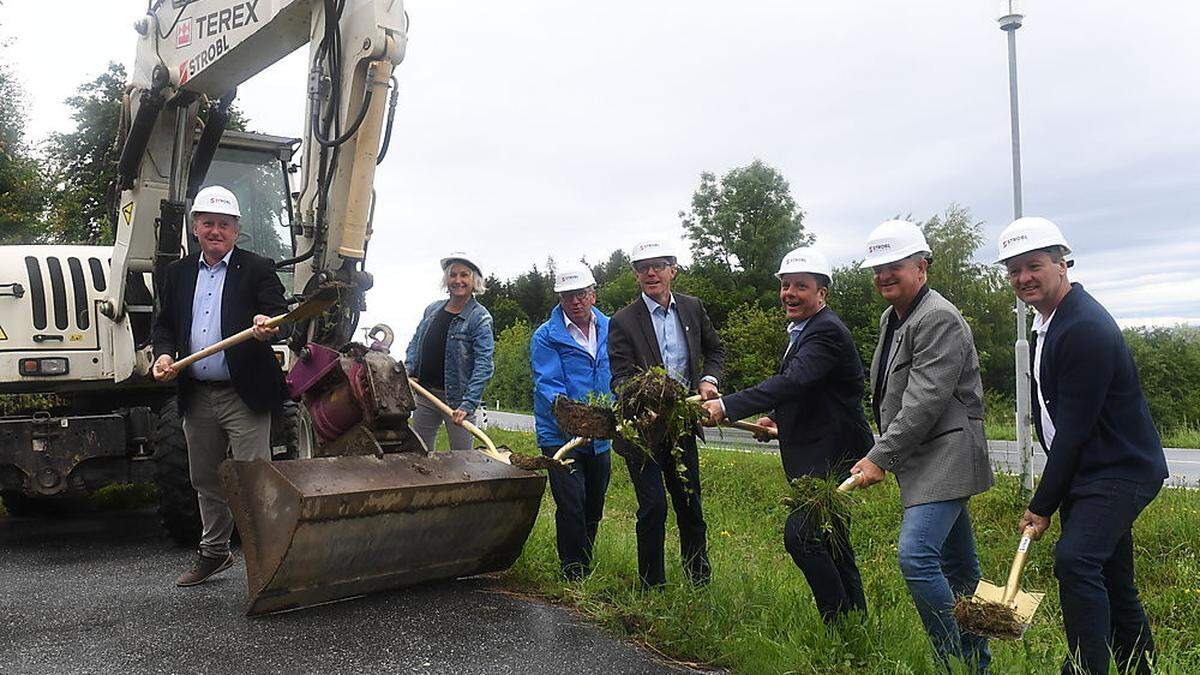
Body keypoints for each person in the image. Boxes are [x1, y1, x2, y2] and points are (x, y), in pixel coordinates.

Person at [996, 217, 1168, 675]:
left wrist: (1042, 504)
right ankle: (1139, 668)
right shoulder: (1049, 322)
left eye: (1033, 266)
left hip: (1119, 470)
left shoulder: (1084, 327)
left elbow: (1073, 430)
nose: (1023, 278)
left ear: (1062, 264)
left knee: (1075, 561)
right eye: (1013, 270)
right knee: (1112, 578)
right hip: (1090, 471)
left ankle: (1085, 668)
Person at [848, 220, 995, 672]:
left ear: (922, 267)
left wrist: (880, 457)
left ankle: (950, 659)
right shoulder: (892, 318)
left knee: (916, 556)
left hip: (947, 453)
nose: (883, 276)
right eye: (877, 269)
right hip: (923, 454)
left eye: (894, 266)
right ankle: (979, 663)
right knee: (961, 569)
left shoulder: (938, 318)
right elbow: (888, 391)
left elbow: (925, 399)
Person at [700, 246, 873, 623]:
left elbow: (794, 379)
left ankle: (836, 619)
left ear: (822, 292)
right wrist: (775, 418)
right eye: (785, 285)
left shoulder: (825, 330)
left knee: (802, 537)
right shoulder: (805, 329)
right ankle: (853, 622)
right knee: (832, 539)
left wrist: (727, 406)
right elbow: (809, 387)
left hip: (832, 453)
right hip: (817, 447)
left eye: (801, 286)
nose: (789, 293)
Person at [151, 185, 288, 587]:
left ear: (236, 230)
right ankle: (214, 553)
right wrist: (162, 355)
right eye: (208, 223)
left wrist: (268, 325)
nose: (215, 231)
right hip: (198, 394)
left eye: (224, 225)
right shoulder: (178, 273)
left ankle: (270, 562)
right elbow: (164, 327)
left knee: (253, 479)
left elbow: (282, 315)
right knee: (206, 478)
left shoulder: (258, 267)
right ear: (195, 227)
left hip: (243, 393)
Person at [607, 239, 724, 588]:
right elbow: (619, 377)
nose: (651, 273)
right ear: (636, 275)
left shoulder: (691, 308)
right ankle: (652, 586)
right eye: (643, 268)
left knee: (690, 504)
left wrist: (707, 379)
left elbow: (715, 350)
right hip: (641, 430)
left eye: (658, 265)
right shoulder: (624, 321)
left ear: (673, 268)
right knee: (653, 507)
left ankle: (698, 582)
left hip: (681, 426)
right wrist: (644, 400)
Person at [530, 264, 612, 581]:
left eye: (580, 294)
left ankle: (584, 562)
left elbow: (616, 375)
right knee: (571, 503)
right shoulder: (546, 336)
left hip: (601, 435)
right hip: (560, 434)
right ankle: (573, 573)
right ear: (560, 298)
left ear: (592, 293)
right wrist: (575, 418)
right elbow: (549, 384)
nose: (575, 301)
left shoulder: (611, 328)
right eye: (568, 296)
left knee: (594, 504)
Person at [405, 252, 495, 453]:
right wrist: (408, 370)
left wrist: (468, 403)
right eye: (453, 275)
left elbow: (484, 365)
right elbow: (416, 343)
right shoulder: (432, 310)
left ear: (474, 281)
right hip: (425, 394)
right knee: (418, 455)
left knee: (462, 459)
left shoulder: (480, 318)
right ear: (446, 279)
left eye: (464, 275)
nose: (458, 280)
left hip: (458, 402)